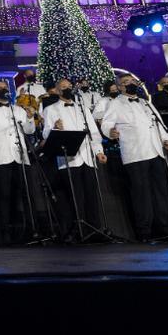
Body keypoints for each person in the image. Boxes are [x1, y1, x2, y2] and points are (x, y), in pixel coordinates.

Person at [100, 75, 168, 241]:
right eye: (126, 83)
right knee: (141, 194)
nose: (130, 84)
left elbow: (158, 123)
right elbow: (106, 124)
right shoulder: (115, 103)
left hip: (155, 150)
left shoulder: (145, 102)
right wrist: (110, 132)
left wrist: (166, 140)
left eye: (132, 82)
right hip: (135, 153)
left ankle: (167, 228)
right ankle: (145, 232)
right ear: (120, 87)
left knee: (161, 192)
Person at [41, 79, 106, 240]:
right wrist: (55, 128)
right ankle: (79, 231)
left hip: (87, 157)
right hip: (69, 160)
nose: (68, 89)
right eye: (63, 87)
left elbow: (94, 133)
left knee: (91, 195)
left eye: (69, 86)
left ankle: (95, 230)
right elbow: (46, 135)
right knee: (75, 197)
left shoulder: (82, 109)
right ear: (57, 90)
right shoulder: (50, 109)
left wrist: (98, 151)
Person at [0, 80, 36, 244]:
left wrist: (30, 118)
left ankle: (28, 231)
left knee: (24, 195)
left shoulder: (18, 109)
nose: (3, 90)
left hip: (20, 157)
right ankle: (4, 232)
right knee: (4, 196)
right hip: (2, 157)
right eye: (0, 88)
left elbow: (29, 130)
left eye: (5, 88)